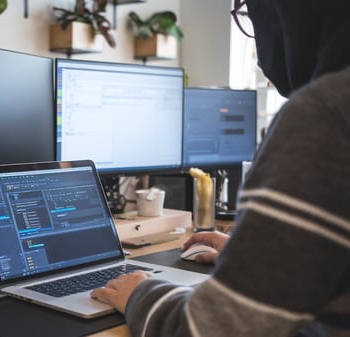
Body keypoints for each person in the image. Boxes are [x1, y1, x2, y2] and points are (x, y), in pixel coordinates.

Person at [91, 1, 350, 336]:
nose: (259, 54)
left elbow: (211, 331)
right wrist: (254, 261)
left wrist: (139, 293)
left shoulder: (326, 117)